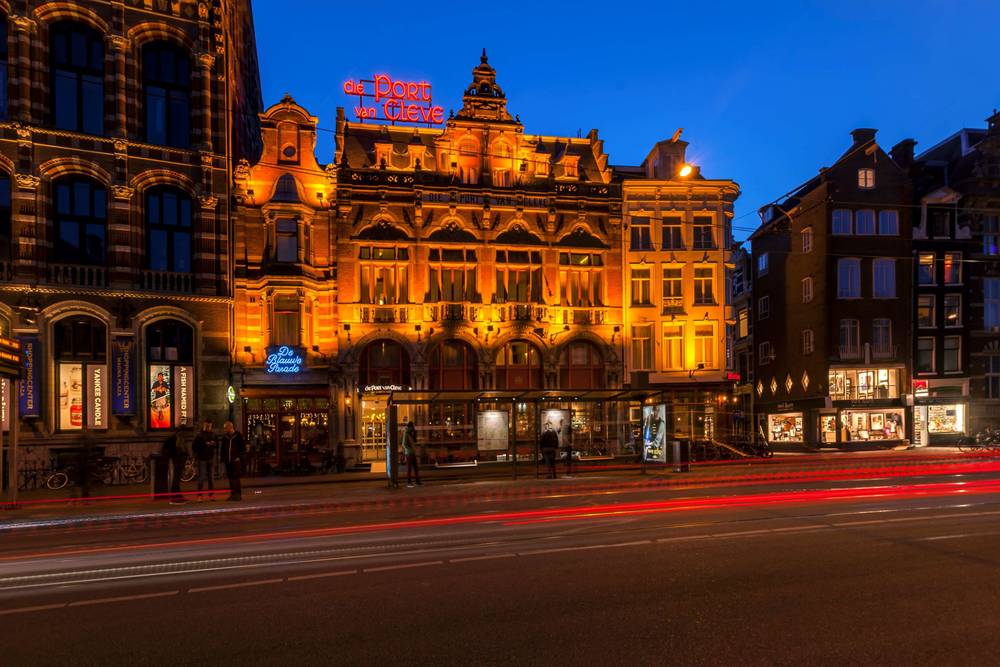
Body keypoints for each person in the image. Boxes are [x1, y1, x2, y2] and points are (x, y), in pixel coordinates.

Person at [191, 419, 217, 500]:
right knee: (202, 477)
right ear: (204, 425)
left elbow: (217, 445)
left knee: (211, 478)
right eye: (207, 426)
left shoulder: (213, 434)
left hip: (211, 458)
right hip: (202, 458)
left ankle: (211, 494)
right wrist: (204, 445)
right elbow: (194, 447)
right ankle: (199, 495)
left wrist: (213, 444)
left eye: (209, 426)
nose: (208, 427)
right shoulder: (199, 435)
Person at [219, 420, 246, 501]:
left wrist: (238, 457)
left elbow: (243, 448)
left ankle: (238, 494)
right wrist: (223, 459)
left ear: (230, 427)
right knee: (230, 478)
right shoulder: (225, 437)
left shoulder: (238, 436)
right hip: (228, 460)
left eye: (225, 428)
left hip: (236, 460)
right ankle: (233, 494)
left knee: (236, 478)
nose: (224, 429)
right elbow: (223, 449)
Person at [161, 430, 188, 504]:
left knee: (176, 480)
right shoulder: (173, 440)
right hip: (176, 461)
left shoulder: (177, 439)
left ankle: (178, 496)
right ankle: (174, 498)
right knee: (175, 480)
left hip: (178, 460)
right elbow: (168, 450)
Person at [402, 421, 421, 487]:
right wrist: (409, 450)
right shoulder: (406, 433)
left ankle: (417, 481)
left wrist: (415, 434)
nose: (413, 428)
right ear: (409, 427)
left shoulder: (411, 434)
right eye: (412, 426)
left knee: (415, 468)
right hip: (409, 454)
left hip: (413, 453)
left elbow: (414, 442)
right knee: (409, 468)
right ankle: (409, 482)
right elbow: (404, 444)